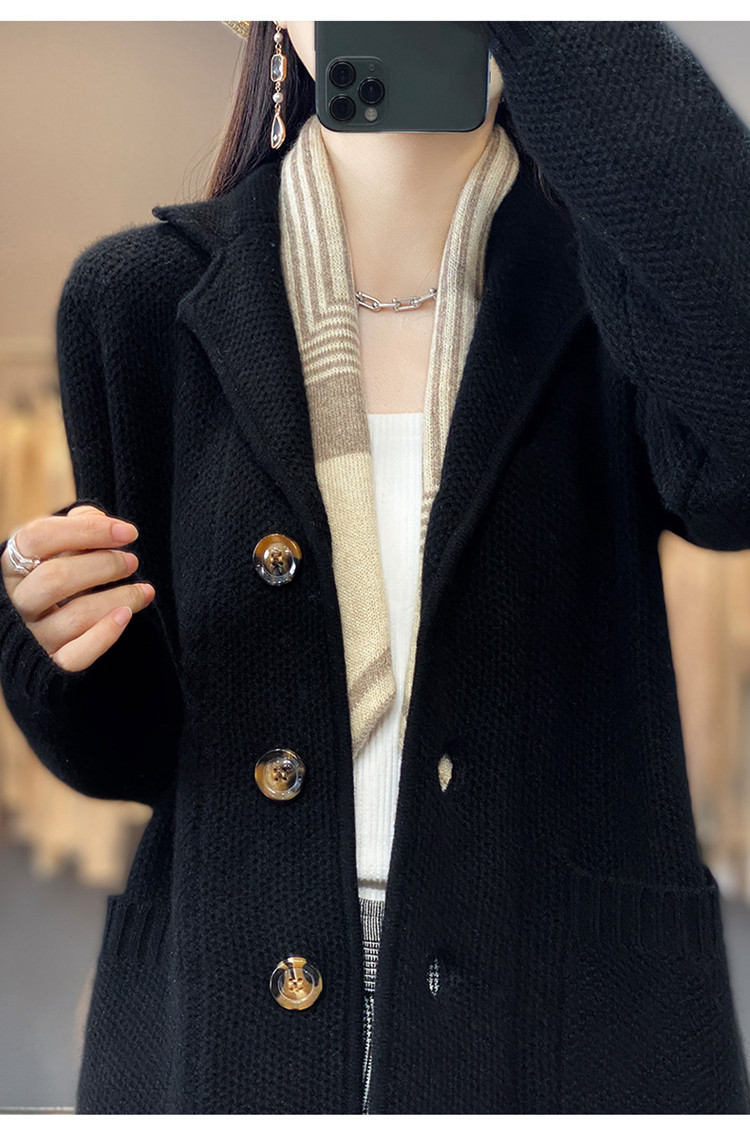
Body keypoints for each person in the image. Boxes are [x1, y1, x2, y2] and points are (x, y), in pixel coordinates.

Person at [1, 19, 749, 1115]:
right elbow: (144, 752)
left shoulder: (623, 297)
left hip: (563, 1018)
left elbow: (735, 469)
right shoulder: (138, 300)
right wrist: (57, 644)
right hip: (226, 1025)